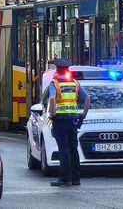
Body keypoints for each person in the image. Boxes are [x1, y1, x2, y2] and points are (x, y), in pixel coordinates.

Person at [48, 59, 90, 187]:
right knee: (73, 148)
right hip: (73, 120)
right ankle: (76, 178)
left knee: (63, 150)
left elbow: (51, 98)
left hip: (60, 121)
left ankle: (65, 178)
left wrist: (52, 112)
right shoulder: (75, 83)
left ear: (57, 70)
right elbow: (87, 98)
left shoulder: (54, 83)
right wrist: (83, 114)